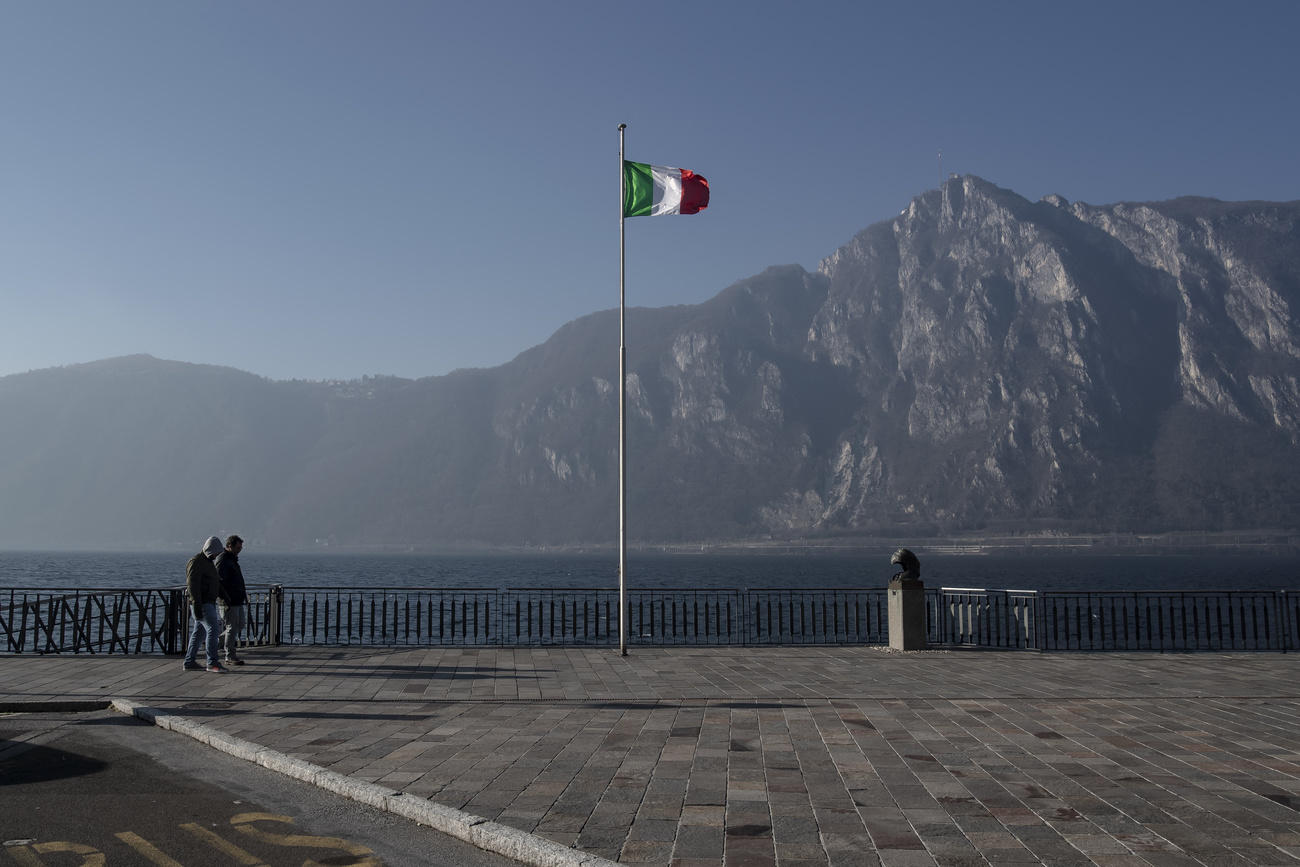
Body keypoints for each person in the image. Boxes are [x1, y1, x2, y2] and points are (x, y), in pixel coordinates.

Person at [183, 536, 228, 673]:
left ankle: (189, 661)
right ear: (210, 550)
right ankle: (212, 662)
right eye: (216, 552)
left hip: (206, 602)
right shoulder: (196, 562)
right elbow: (193, 585)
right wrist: (197, 605)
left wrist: (225, 596)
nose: (217, 555)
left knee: (199, 633)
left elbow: (215, 582)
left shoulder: (208, 563)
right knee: (213, 630)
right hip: (203, 603)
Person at [215, 534, 248, 666]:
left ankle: (216, 641)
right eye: (238, 547)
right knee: (232, 627)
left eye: (240, 548)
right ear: (229, 546)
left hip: (237, 600)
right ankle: (230, 655)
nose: (239, 550)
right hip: (228, 601)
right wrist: (225, 597)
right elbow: (219, 581)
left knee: (240, 624)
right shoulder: (223, 559)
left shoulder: (232, 559)